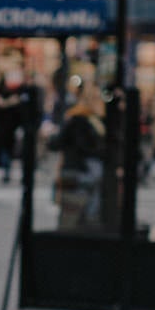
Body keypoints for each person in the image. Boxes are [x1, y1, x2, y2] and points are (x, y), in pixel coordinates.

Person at [57, 85, 106, 227]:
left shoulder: (91, 119)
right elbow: (83, 146)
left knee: (74, 213)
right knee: (75, 214)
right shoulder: (80, 119)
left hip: (78, 168)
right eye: (97, 99)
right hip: (80, 169)